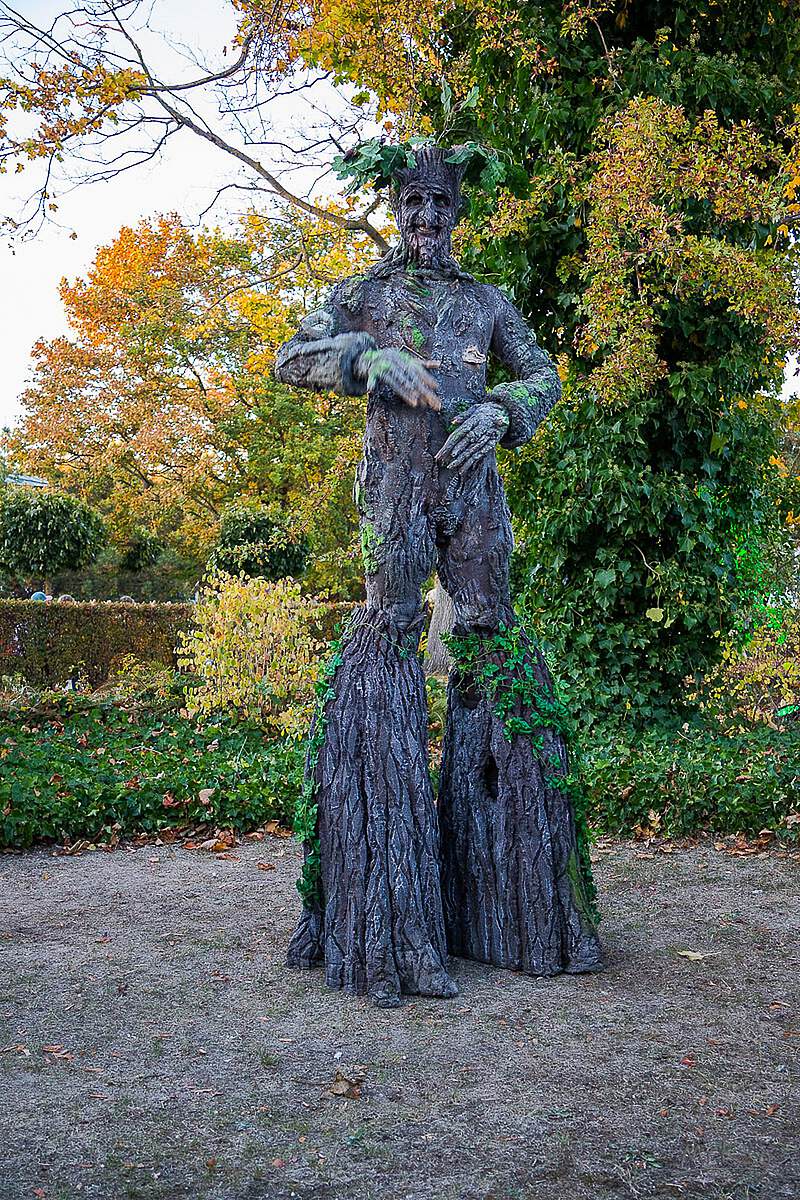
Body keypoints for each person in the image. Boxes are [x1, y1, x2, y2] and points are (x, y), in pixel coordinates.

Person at [275, 146, 602, 1008]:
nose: (426, 218)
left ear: (457, 214)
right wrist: (362, 361)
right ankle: (388, 911)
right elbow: (288, 358)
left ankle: (509, 908)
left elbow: (544, 374)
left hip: (473, 493)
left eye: (439, 205)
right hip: (395, 489)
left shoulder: (485, 302)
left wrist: (501, 410)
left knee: (490, 635)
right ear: (398, 208)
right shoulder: (362, 295)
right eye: (413, 202)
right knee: (387, 635)